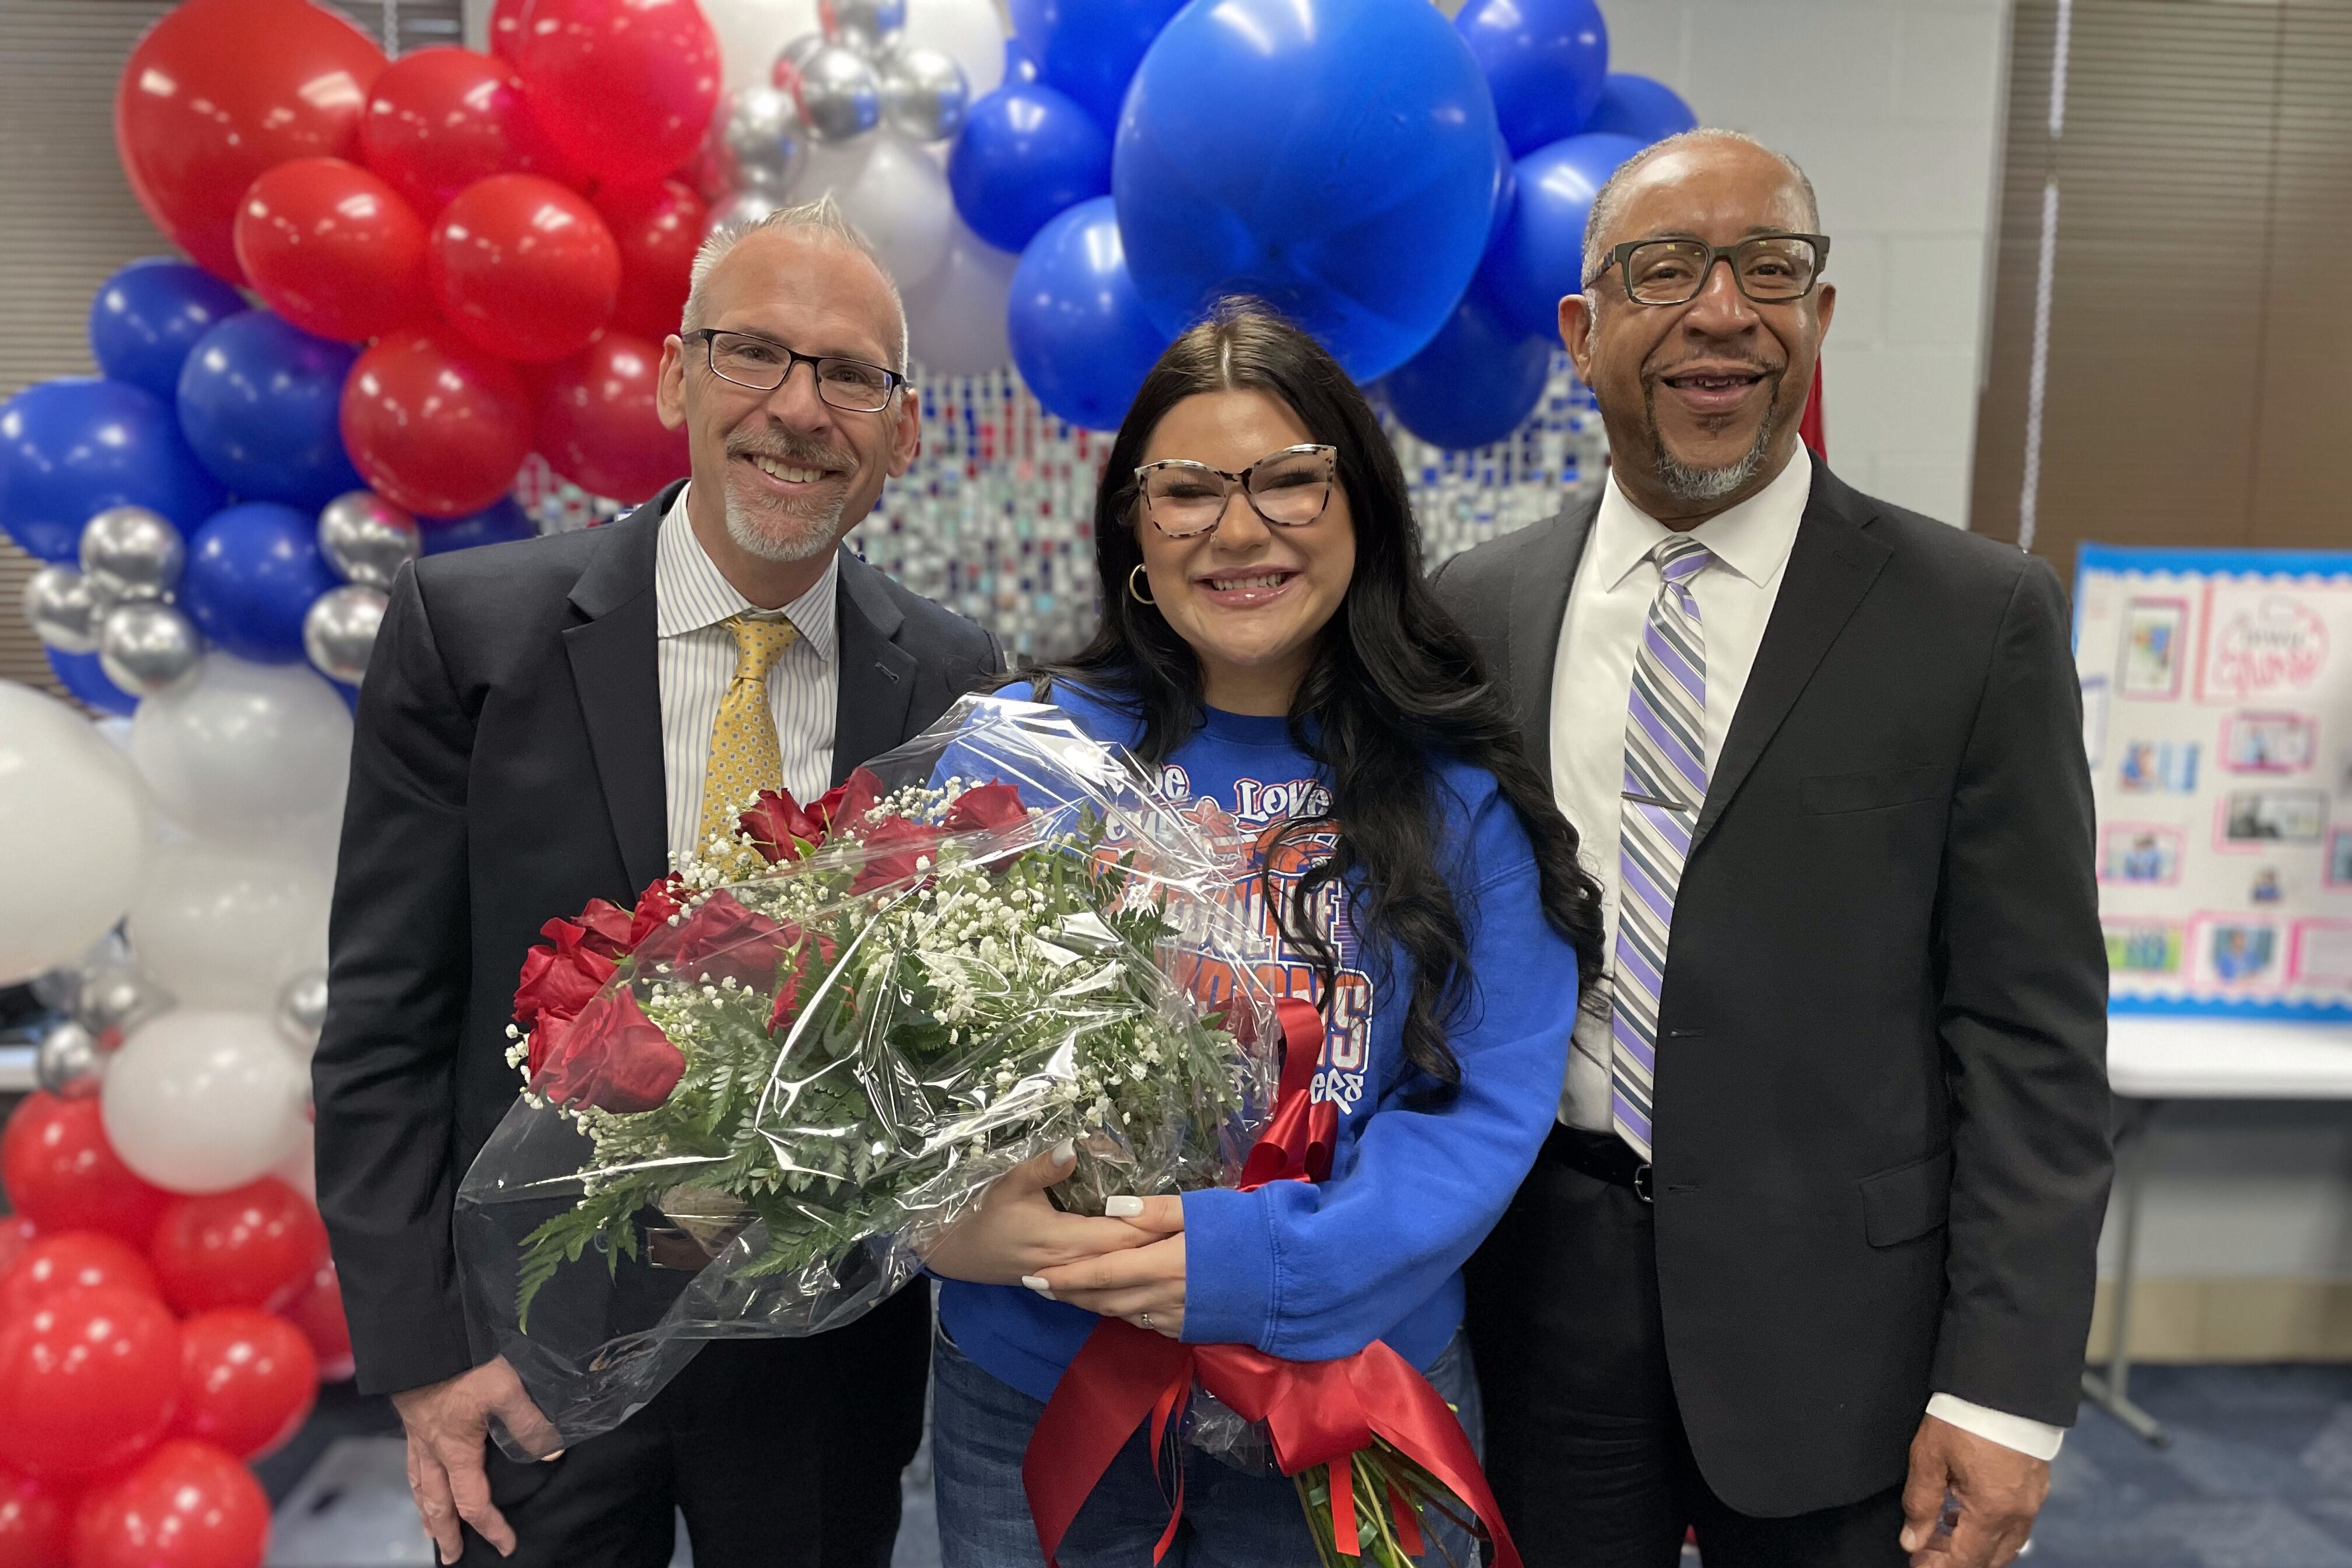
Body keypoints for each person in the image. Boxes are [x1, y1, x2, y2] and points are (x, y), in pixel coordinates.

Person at [1433, 130, 2112, 1568]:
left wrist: (2006, 1389)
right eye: (1666, 271)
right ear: (1583, 329)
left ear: (1819, 314)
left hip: (1850, 1340)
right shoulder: (1474, 615)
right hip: (1540, 1311)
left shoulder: (1975, 618)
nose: (1722, 311)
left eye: (1772, 270)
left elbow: (2031, 1034)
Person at [313, 198, 1002, 1568]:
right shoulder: (475, 636)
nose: (800, 410)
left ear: (903, 429)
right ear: (677, 376)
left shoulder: (954, 675)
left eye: (851, 375)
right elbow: (386, 1019)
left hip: (818, 1369)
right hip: (526, 1349)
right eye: (756, 353)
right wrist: (424, 1355)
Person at [918, 299, 1606, 1566]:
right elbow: (899, 1058)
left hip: (1349, 1387)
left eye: (1291, 481)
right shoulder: (1023, 749)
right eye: (1187, 492)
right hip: (1041, 1382)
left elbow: (1484, 1113)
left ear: (1364, 512)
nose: (1241, 530)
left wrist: (1257, 1264)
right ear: (1134, 521)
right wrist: (940, 1217)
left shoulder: (1455, 788)